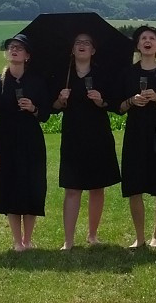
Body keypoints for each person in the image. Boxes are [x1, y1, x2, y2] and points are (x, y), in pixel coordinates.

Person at [52, 32, 121, 250]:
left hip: (98, 135)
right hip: (73, 136)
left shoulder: (103, 74)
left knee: (97, 187)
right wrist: (60, 100)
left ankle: (92, 235)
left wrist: (101, 101)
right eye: (78, 43)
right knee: (72, 189)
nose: (82, 46)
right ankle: (68, 240)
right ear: (72, 50)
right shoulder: (63, 75)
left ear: (93, 50)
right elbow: (52, 108)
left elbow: (114, 104)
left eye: (87, 43)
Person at [0, 34, 51, 251]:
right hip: (5, 141)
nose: (14, 50)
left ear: (27, 56)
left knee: (32, 186)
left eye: (19, 48)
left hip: (31, 140)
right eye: (11, 47)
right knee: (10, 187)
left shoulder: (37, 81)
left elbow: (46, 115)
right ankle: (16, 241)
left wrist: (33, 109)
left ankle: (28, 239)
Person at [117, 26, 156, 250]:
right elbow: (118, 107)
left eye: (152, 38)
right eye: (143, 38)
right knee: (134, 186)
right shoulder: (127, 73)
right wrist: (131, 101)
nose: (147, 41)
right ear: (137, 45)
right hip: (135, 134)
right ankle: (140, 237)